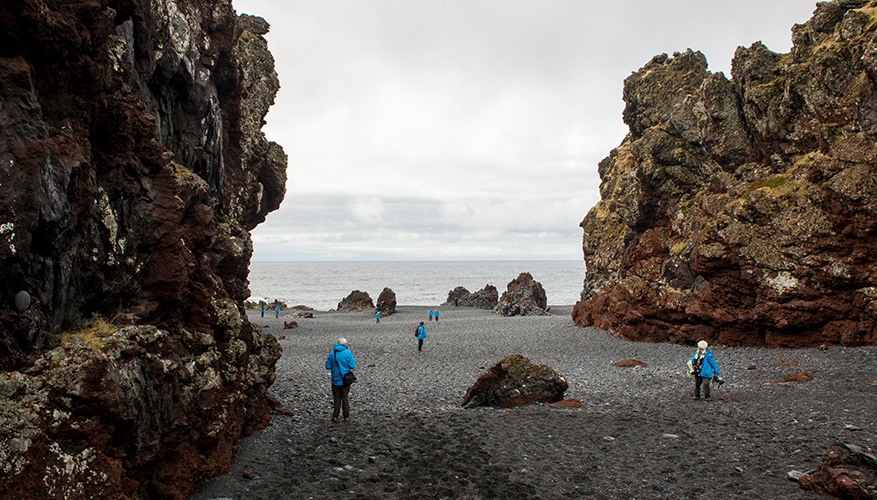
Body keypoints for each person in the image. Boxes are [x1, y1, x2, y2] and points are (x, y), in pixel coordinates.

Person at [325, 338, 356, 422]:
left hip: (335, 379)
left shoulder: (332, 353)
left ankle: (335, 416)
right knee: (345, 397)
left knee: (337, 398)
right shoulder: (347, 353)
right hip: (345, 379)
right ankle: (346, 416)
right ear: (345, 344)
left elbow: (327, 366)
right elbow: (352, 366)